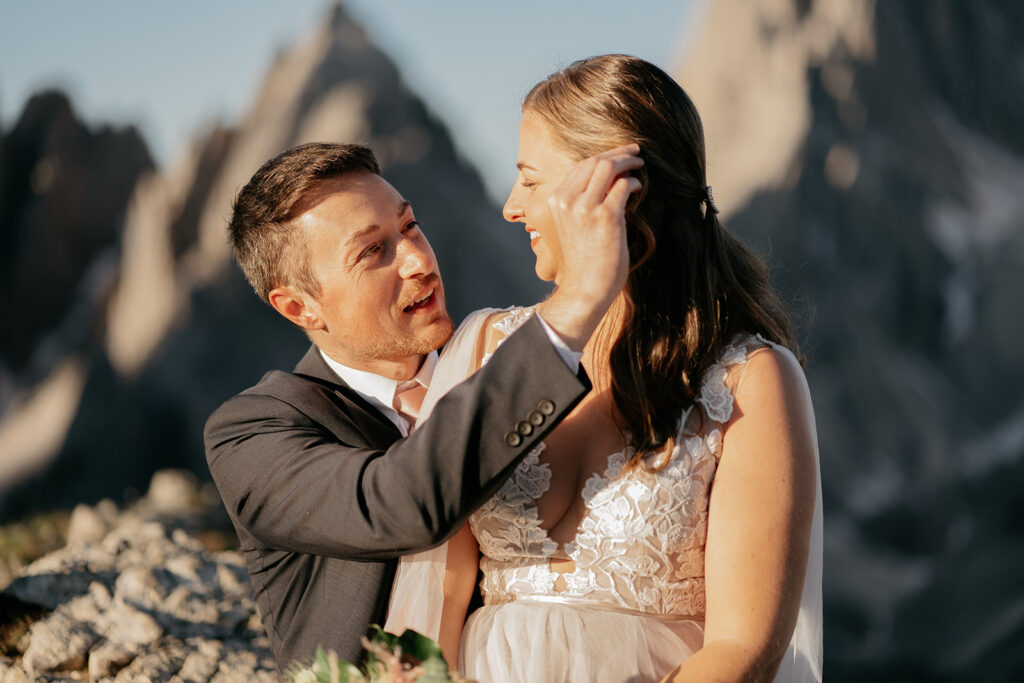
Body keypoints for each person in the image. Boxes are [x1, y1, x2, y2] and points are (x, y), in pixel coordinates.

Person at [385, 55, 823, 682]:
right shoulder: (484, 344)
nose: (510, 207)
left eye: (530, 181)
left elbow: (743, 648)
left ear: (617, 188)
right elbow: (435, 597)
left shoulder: (750, 379)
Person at [203, 140, 643, 671]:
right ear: (300, 307)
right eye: (372, 252)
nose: (418, 260)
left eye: (409, 226)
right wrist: (577, 300)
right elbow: (399, 501)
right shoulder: (251, 432)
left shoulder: (503, 366)